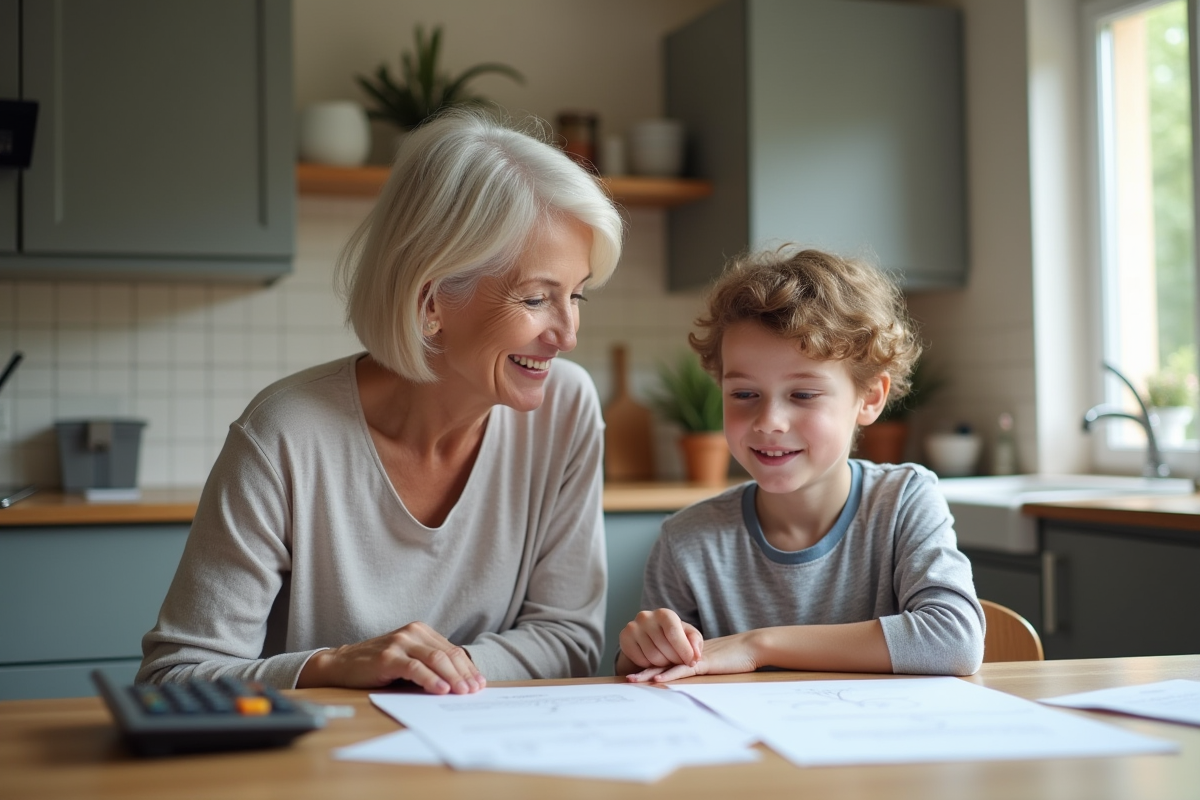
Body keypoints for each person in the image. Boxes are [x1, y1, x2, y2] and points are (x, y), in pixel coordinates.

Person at [139, 110, 624, 695]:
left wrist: (435, 677)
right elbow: (171, 680)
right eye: (535, 299)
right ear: (431, 303)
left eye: (576, 296)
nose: (568, 334)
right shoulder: (284, 436)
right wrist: (330, 666)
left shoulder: (566, 409)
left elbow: (567, 638)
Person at [616, 247, 984, 682]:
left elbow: (954, 640)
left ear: (870, 398)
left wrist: (756, 645)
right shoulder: (687, 541)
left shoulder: (903, 501)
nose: (769, 422)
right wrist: (641, 651)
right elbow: (650, 678)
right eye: (744, 394)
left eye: (803, 395)